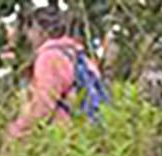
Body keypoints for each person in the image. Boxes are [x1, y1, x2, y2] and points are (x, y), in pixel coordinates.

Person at [6, 6, 105, 140]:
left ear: (40, 30)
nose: (29, 38)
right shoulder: (79, 55)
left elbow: (43, 104)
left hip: (63, 137)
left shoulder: (49, 58)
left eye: (30, 31)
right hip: (88, 133)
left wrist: (17, 130)